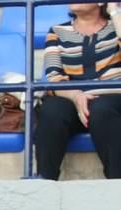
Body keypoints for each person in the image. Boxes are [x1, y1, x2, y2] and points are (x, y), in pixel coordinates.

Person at [34, 1, 121, 180]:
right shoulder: (57, 31)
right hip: (71, 97)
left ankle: (117, 182)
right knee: (51, 111)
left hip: (111, 98)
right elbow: (54, 77)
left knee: (101, 109)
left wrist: (114, 10)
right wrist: (76, 95)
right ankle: (44, 183)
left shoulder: (116, 25)